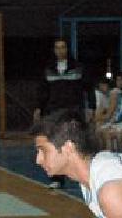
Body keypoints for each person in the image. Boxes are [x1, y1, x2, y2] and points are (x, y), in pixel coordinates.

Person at [34, 38, 87, 189]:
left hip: (73, 111)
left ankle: (81, 176)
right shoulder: (48, 68)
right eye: (57, 47)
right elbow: (42, 90)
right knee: (55, 144)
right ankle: (57, 178)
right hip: (53, 112)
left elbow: (87, 88)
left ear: (67, 49)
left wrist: (91, 108)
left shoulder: (78, 67)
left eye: (63, 47)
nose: (60, 50)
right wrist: (38, 108)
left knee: (74, 144)